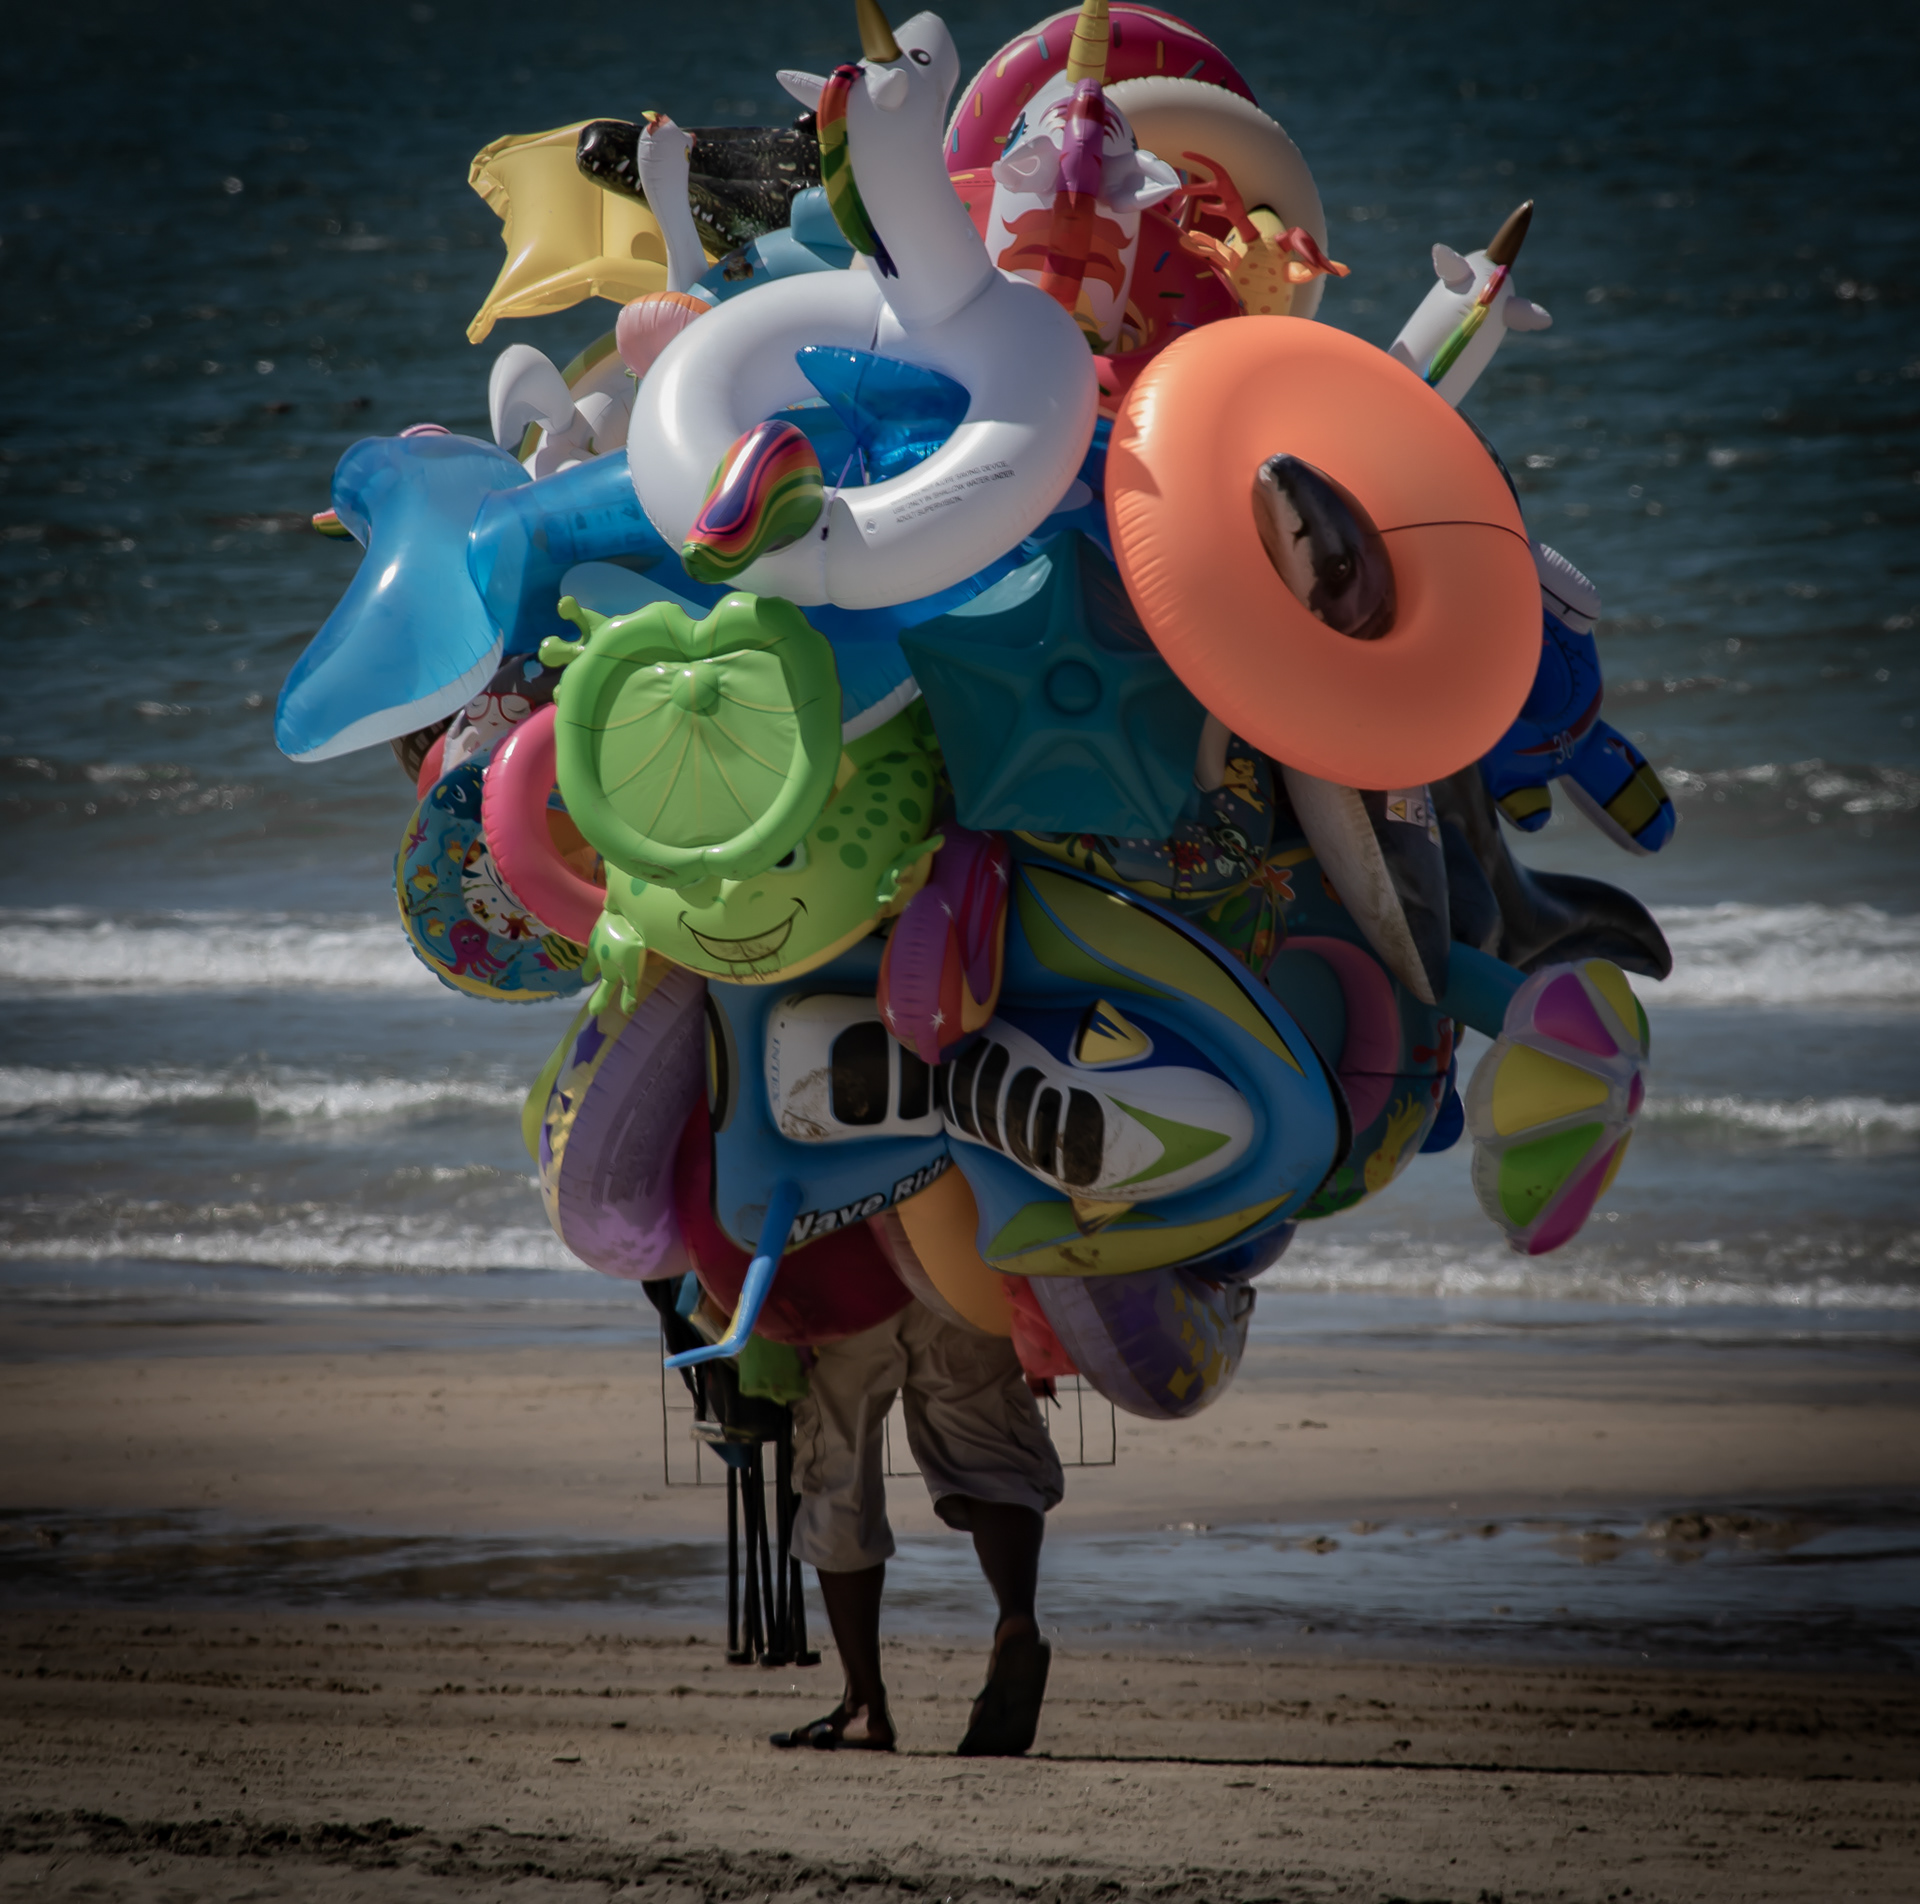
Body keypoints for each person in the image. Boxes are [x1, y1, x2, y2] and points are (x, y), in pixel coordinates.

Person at [768, 1296, 1064, 1754]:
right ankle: (1017, 1622)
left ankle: (865, 1706)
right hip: (946, 1262)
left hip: (833, 1268)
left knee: (838, 1476)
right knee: (990, 1443)